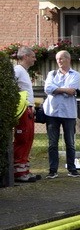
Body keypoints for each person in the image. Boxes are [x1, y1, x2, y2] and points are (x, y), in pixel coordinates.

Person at [43, 50, 80, 178]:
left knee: (70, 142)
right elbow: (48, 89)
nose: (59, 61)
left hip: (68, 113)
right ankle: (53, 170)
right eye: (57, 59)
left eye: (61, 58)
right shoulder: (51, 73)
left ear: (68, 59)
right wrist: (64, 90)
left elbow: (72, 90)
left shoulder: (75, 74)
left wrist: (56, 90)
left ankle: (72, 169)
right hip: (52, 113)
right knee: (52, 143)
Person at [12, 46, 41, 183]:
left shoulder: (23, 71)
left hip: (28, 109)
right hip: (23, 109)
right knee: (23, 138)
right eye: (33, 56)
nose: (35, 59)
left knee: (28, 138)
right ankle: (18, 171)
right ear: (25, 57)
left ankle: (24, 169)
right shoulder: (18, 70)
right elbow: (13, 86)